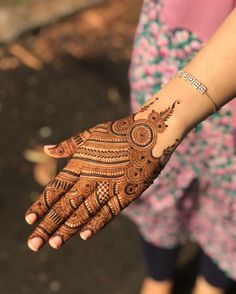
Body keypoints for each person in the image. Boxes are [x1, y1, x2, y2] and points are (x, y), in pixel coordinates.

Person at [25, 2, 236, 294]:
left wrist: (164, 117)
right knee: (147, 185)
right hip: (170, 37)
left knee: (231, 199)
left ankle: (212, 284)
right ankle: (159, 275)